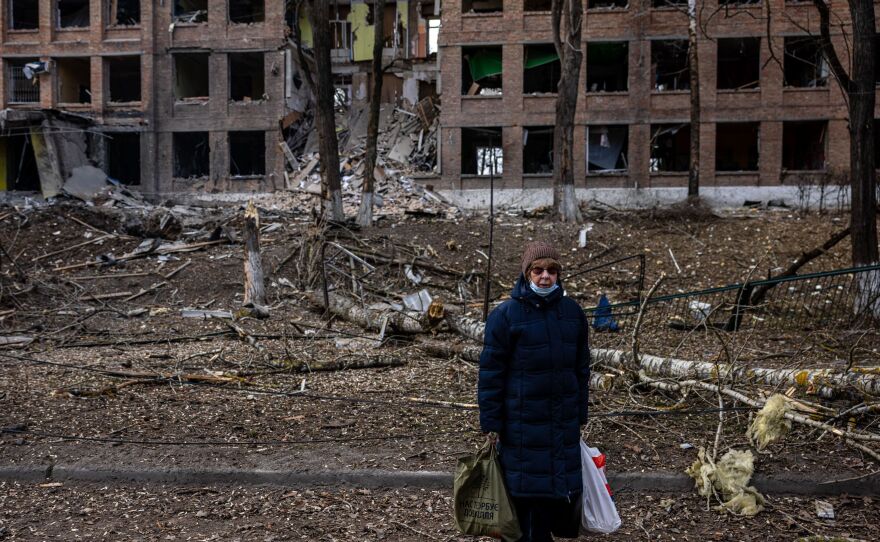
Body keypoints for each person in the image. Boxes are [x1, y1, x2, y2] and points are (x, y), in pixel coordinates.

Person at [478, 241, 591, 542]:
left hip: (562, 424)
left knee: (555, 498)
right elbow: (491, 375)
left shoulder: (572, 314)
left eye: (552, 271)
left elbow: (581, 369)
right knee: (525, 500)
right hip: (522, 428)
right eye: (538, 270)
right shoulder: (505, 316)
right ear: (527, 273)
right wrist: (492, 423)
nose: (545, 277)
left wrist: (580, 413)